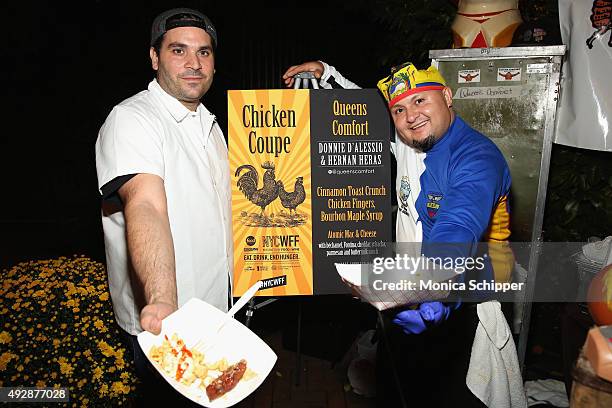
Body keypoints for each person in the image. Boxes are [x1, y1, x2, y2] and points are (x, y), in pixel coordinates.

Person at [283, 61, 519, 407]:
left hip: (458, 310)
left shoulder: (476, 157)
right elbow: (360, 111)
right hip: (406, 297)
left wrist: (429, 292)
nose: (411, 116)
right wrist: (327, 72)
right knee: (398, 391)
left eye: (421, 101)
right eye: (399, 109)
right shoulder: (410, 143)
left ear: (447, 96)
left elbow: (457, 227)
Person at [95, 8, 231, 405]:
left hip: (217, 314)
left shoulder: (211, 124)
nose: (194, 64)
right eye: (178, 50)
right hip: (169, 322)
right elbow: (146, 205)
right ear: (155, 58)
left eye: (204, 53)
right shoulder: (133, 118)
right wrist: (162, 299)